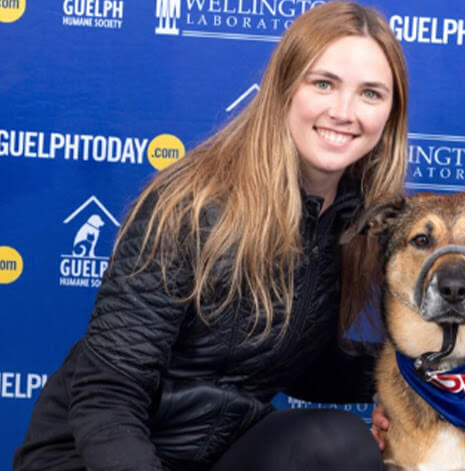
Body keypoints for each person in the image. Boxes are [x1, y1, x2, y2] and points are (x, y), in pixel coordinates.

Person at [14, 2, 407, 470]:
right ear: (283, 88)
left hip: (215, 452)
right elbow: (108, 396)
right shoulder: (191, 206)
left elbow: (305, 367)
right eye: (323, 83)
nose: (344, 111)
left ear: (389, 115)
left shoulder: (351, 221)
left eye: (370, 94)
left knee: (341, 442)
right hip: (92, 456)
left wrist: (415, 379)